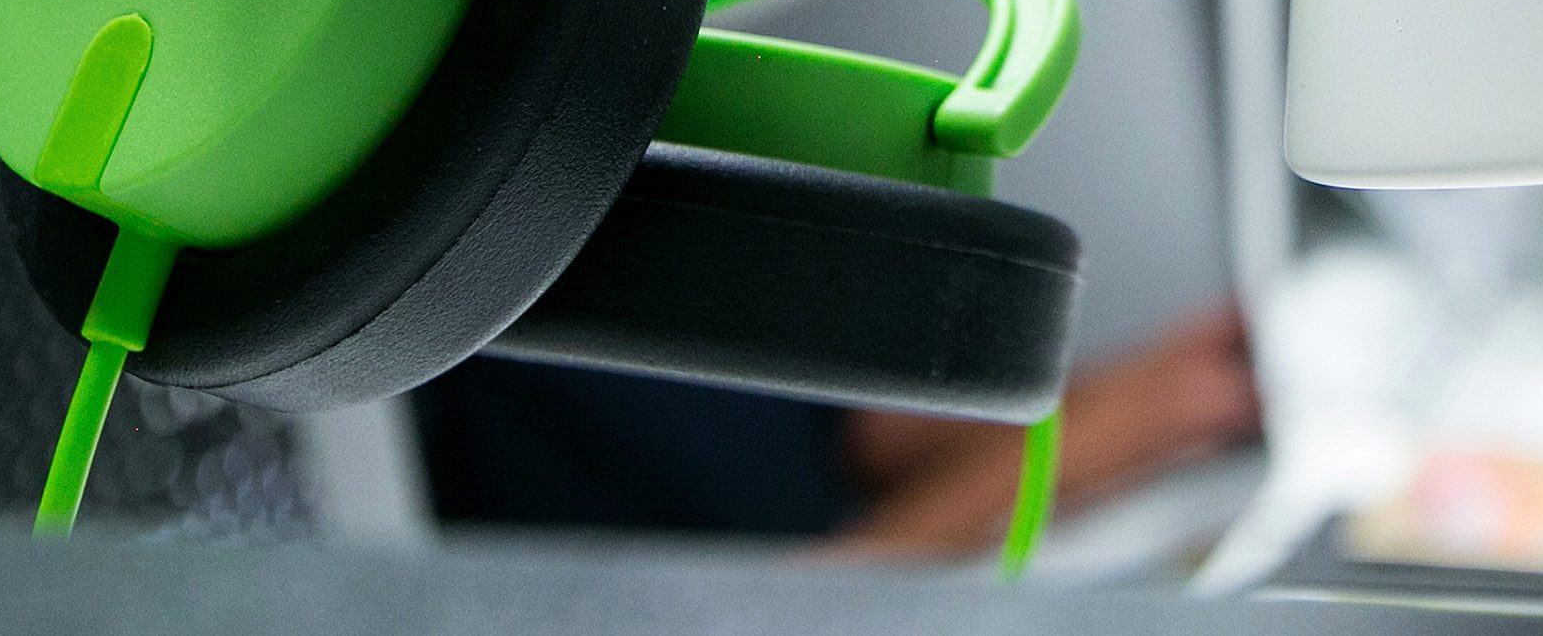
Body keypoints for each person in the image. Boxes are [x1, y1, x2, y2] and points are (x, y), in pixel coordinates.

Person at [417, 299, 1261, 551]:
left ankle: (1162, 403)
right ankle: (1154, 410)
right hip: (446, 445)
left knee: (842, 433)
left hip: (765, 454)